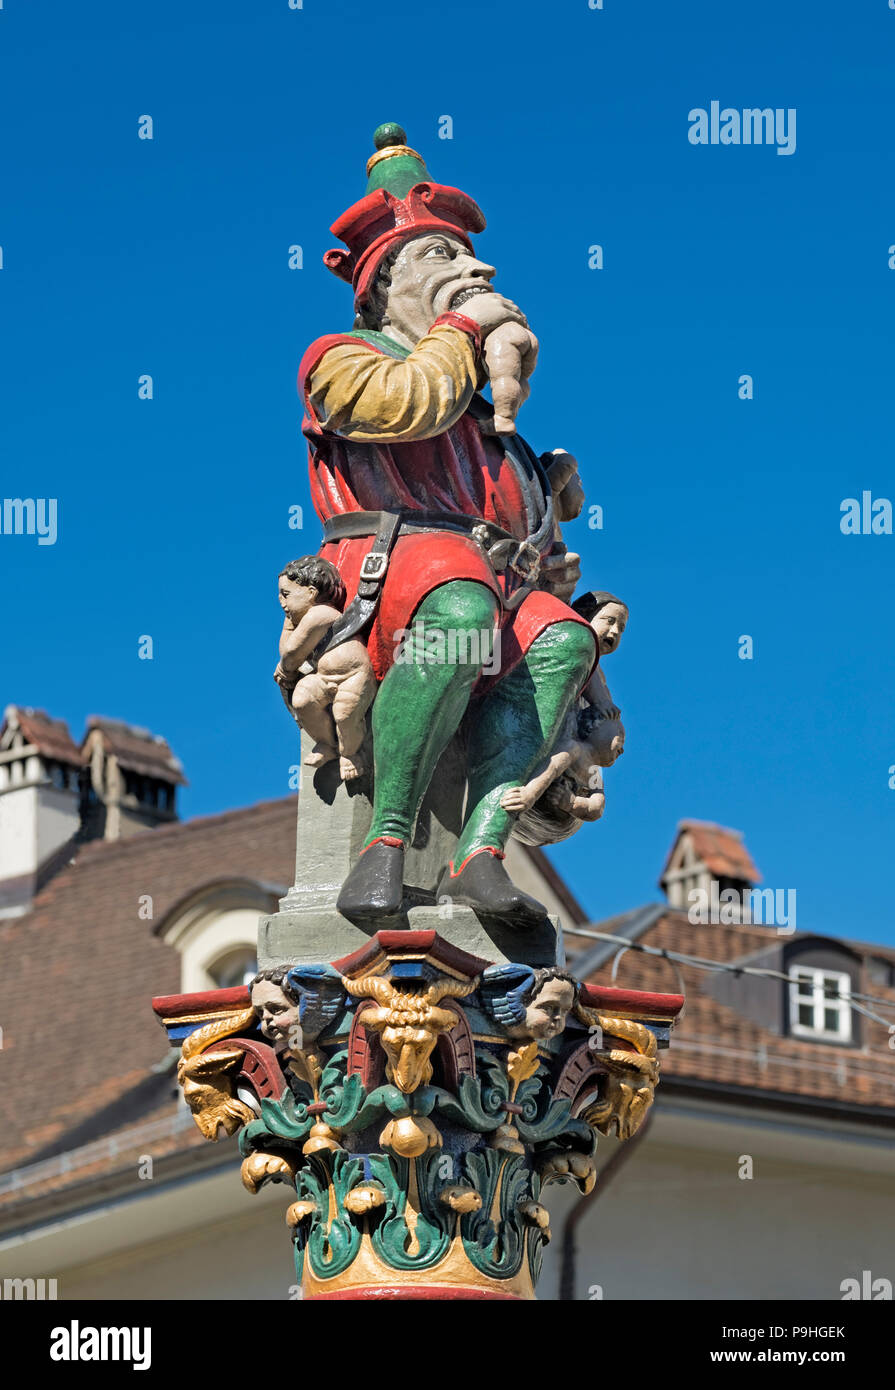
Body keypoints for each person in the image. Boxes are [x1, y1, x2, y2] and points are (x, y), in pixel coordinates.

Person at [299, 124, 598, 926]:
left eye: (472, 260)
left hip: (496, 572)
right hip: (397, 557)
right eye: (444, 258)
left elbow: (528, 523)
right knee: (460, 608)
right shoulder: (342, 355)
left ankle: (483, 849)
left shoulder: (488, 413)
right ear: (382, 284)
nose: (478, 271)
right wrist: (466, 328)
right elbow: (401, 409)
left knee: (563, 640)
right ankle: (386, 843)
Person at [274, 555, 376, 781]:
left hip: (353, 677)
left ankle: (349, 754)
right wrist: (289, 624)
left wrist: (285, 668)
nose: (281, 601)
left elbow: (292, 653)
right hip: (324, 678)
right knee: (302, 700)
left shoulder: (321, 614)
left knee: (345, 714)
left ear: (311, 592)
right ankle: (327, 743)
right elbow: (287, 653)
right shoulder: (304, 619)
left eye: (286, 594)